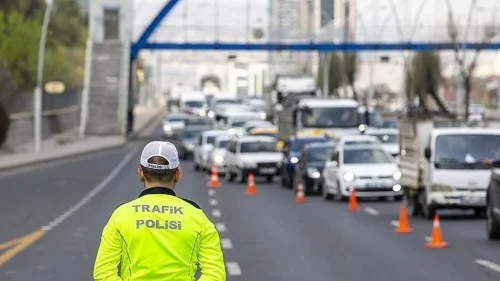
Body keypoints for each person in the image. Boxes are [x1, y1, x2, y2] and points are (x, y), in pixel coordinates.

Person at [93, 141, 226, 281]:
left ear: (141, 174)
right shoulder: (197, 217)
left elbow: (103, 273)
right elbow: (215, 274)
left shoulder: (121, 215)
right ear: (178, 175)